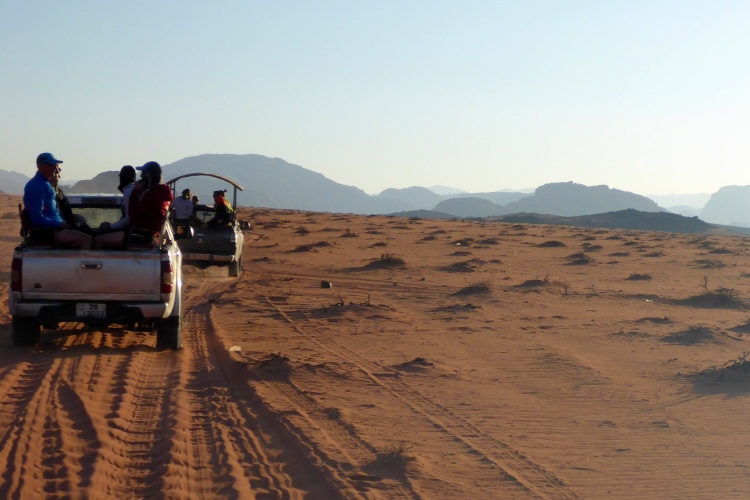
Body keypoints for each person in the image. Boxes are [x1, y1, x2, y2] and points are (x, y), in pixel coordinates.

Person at [23, 152, 92, 249]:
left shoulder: (45, 184)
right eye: (52, 165)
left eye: (56, 165)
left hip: (55, 229)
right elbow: (36, 217)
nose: (55, 168)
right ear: (42, 167)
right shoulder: (37, 186)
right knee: (87, 239)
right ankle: (83, 259)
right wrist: (59, 224)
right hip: (49, 231)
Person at [94, 165, 137, 248]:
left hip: (130, 233)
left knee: (97, 239)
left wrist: (110, 227)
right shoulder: (132, 190)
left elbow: (128, 219)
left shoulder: (129, 192)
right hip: (131, 231)